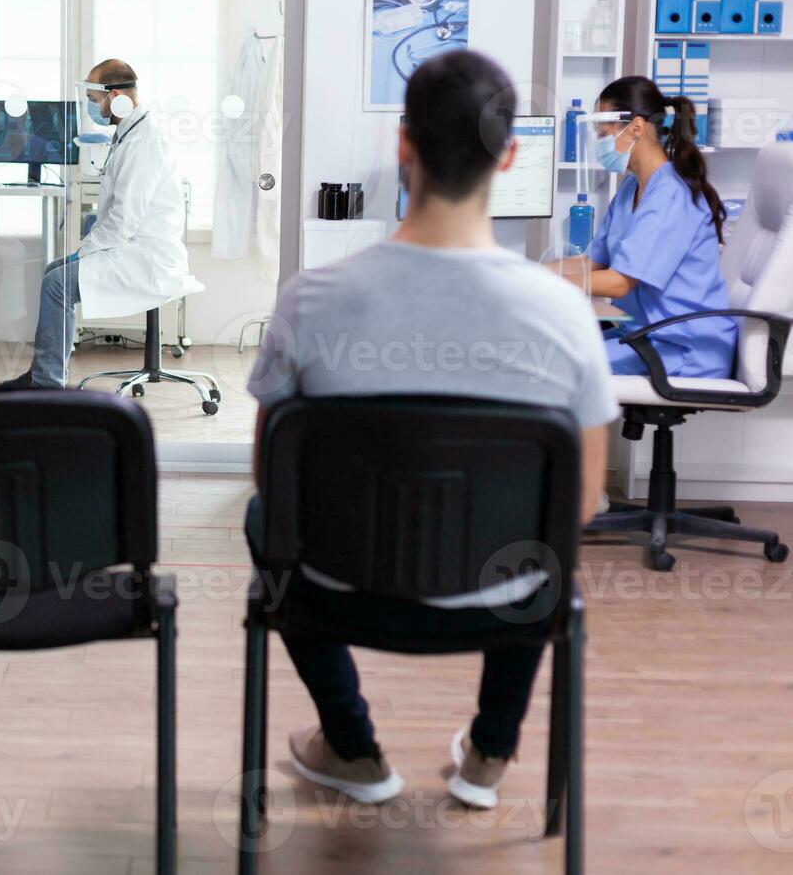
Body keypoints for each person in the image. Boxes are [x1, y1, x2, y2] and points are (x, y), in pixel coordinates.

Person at [245, 50, 618, 809]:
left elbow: (271, 477)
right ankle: (491, 750)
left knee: (264, 520)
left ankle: (350, 745)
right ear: (509, 156)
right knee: (548, 539)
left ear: (402, 145)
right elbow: (579, 505)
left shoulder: (310, 299)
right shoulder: (564, 314)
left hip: (338, 590)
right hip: (504, 594)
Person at [4, 60, 200, 389]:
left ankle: (47, 386)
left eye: (96, 100)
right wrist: (86, 252)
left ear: (118, 96)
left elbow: (123, 220)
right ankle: (42, 374)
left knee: (58, 284)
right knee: (55, 270)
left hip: (147, 258)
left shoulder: (143, 143)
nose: (93, 108)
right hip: (130, 248)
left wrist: (85, 253)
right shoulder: (129, 133)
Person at [558, 75, 736, 377]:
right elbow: (591, 262)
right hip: (646, 337)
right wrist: (523, 272)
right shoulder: (631, 189)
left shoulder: (671, 196)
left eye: (603, 133)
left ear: (636, 128)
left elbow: (619, 283)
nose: (600, 142)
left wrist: (541, 283)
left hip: (684, 350)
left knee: (552, 365)